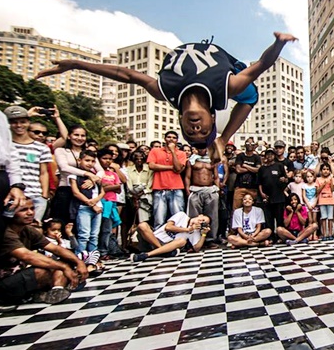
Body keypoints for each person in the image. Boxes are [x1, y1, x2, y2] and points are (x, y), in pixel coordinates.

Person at [37, 33, 297, 155]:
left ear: (181, 122)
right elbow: (262, 65)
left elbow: (124, 74)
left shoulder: (163, 90)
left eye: (192, 131)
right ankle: (223, 138)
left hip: (187, 57)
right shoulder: (228, 88)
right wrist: (279, 43)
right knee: (251, 94)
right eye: (203, 130)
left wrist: (78, 64)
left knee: (249, 93)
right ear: (211, 117)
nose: (196, 128)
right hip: (224, 62)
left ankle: (223, 138)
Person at [0, 201, 88, 309]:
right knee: (44, 270)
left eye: (32, 208)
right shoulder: (5, 232)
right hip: (1, 282)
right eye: (23, 210)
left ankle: (56, 289)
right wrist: (63, 267)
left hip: (17, 276)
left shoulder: (27, 230)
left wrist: (79, 262)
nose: (30, 213)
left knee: (62, 261)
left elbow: (55, 248)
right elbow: (27, 256)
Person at [5, 106, 52, 221]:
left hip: (35, 195)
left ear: (28, 123)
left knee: (33, 230)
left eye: (23, 122)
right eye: (14, 122)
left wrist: (44, 196)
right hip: (12, 195)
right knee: (8, 229)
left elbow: (43, 173)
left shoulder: (41, 148)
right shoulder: (5, 145)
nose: (19, 125)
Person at [49, 125, 101, 224]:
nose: (79, 138)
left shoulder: (88, 153)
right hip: (66, 191)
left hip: (85, 191)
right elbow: (64, 167)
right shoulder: (61, 150)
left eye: (83, 135)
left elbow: (100, 171)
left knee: (82, 226)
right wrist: (87, 174)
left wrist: (93, 179)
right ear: (69, 136)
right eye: (76, 135)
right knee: (62, 222)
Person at [132, 212, 211, 262]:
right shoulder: (182, 215)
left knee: (182, 241)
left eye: (203, 223)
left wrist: (204, 234)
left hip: (167, 245)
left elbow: (197, 248)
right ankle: (164, 252)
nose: (201, 222)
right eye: (202, 219)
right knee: (142, 225)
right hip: (152, 239)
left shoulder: (195, 232)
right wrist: (187, 229)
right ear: (200, 215)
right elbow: (168, 227)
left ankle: (146, 255)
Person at [147, 131, 187, 228]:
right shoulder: (155, 151)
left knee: (178, 218)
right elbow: (151, 165)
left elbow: (178, 169)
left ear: (177, 140)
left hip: (176, 188)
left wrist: (173, 151)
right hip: (159, 188)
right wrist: (170, 168)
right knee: (159, 219)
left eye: (174, 137)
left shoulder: (181, 153)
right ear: (165, 139)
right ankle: (158, 241)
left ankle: (179, 241)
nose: (171, 139)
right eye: (169, 137)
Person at [70, 150, 104, 256]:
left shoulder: (95, 176)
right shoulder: (74, 175)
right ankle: (80, 258)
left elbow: (102, 191)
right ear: (80, 160)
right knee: (84, 235)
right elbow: (76, 193)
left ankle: (92, 258)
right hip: (83, 208)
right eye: (87, 160)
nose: (90, 163)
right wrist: (91, 204)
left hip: (98, 208)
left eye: (93, 161)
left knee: (94, 235)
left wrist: (96, 201)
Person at [184, 147, 220, 247]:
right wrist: (187, 190)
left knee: (212, 215)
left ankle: (210, 239)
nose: (202, 150)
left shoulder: (212, 161)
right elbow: (187, 177)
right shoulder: (191, 160)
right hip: (196, 189)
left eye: (204, 147)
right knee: (194, 216)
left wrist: (218, 189)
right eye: (200, 147)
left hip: (210, 190)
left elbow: (216, 177)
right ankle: (194, 239)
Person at [96, 148, 123, 258]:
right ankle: (98, 252)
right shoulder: (97, 173)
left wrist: (107, 186)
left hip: (112, 203)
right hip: (100, 202)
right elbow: (99, 187)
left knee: (108, 228)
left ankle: (104, 251)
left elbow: (119, 188)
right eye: (104, 158)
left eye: (110, 159)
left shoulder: (113, 174)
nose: (107, 161)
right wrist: (111, 187)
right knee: (98, 229)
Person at [125, 151, 153, 247]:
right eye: (136, 158)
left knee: (146, 218)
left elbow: (150, 183)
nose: (139, 160)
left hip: (146, 194)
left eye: (141, 157)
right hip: (132, 195)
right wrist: (134, 195)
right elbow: (128, 184)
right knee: (138, 219)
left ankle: (148, 240)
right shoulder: (128, 170)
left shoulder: (149, 169)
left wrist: (142, 192)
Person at [258, 148, 288, 232]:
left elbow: (286, 179)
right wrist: (262, 193)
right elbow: (259, 183)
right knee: (268, 219)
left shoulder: (279, 166)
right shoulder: (262, 169)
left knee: (279, 218)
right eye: (268, 154)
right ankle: (270, 236)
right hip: (267, 197)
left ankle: (280, 235)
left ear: (274, 155)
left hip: (278, 197)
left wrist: (284, 180)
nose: (269, 156)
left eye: (271, 154)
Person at [316, 163, 334, 240]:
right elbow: (317, 191)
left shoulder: (331, 178)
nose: (326, 171)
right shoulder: (318, 179)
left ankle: (330, 234)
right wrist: (324, 183)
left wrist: (330, 180)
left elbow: (332, 189)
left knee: (330, 218)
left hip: (330, 200)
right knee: (324, 217)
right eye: (324, 169)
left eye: (327, 169)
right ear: (321, 171)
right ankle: (324, 234)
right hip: (322, 200)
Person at [301, 169, 319, 240]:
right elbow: (304, 196)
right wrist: (308, 204)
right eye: (308, 177)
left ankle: (315, 234)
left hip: (314, 203)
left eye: (311, 176)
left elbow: (317, 195)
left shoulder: (316, 185)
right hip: (308, 204)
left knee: (315, 219)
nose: (309, 178)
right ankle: (309, 234)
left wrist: (314, 203)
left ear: (314, 177)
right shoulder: (304, 185)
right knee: (310, 220)